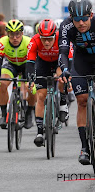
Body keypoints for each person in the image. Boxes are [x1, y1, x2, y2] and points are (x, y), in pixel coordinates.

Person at [58, 0, 95, 165]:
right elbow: (64, 52)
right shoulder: (66, 26)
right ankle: (85, 147)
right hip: (81, 62)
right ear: (71, 18)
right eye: (77, 20)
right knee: (82, 100)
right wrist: (65, 69)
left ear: (91, 15)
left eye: (84, 19)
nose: (81, 24)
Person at [26, 19, 72, 147]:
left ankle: (63, 103)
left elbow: (69, 57)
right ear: (39, 36)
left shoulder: (61, 38)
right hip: (43, 63)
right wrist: (30, 79)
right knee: (41, 96)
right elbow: (30, 61)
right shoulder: (34, 40)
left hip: (58, 61)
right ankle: (40, 132)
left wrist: (67, 75)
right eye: (43, 38)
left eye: (49, 39)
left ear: (55, 35)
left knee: (61, 76)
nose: (46, 42)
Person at [0, 19, 36, 129]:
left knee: (30, 87)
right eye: (11, 35)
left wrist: (31, 80)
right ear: (7, 34)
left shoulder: (29, 42)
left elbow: (33, 63)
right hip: (11, 65)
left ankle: (29, 112)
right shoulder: (2, 41)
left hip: (26, 65)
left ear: (22, 33)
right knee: (2, 84)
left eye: (17, 34)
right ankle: (3, 114)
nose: (15, 38)